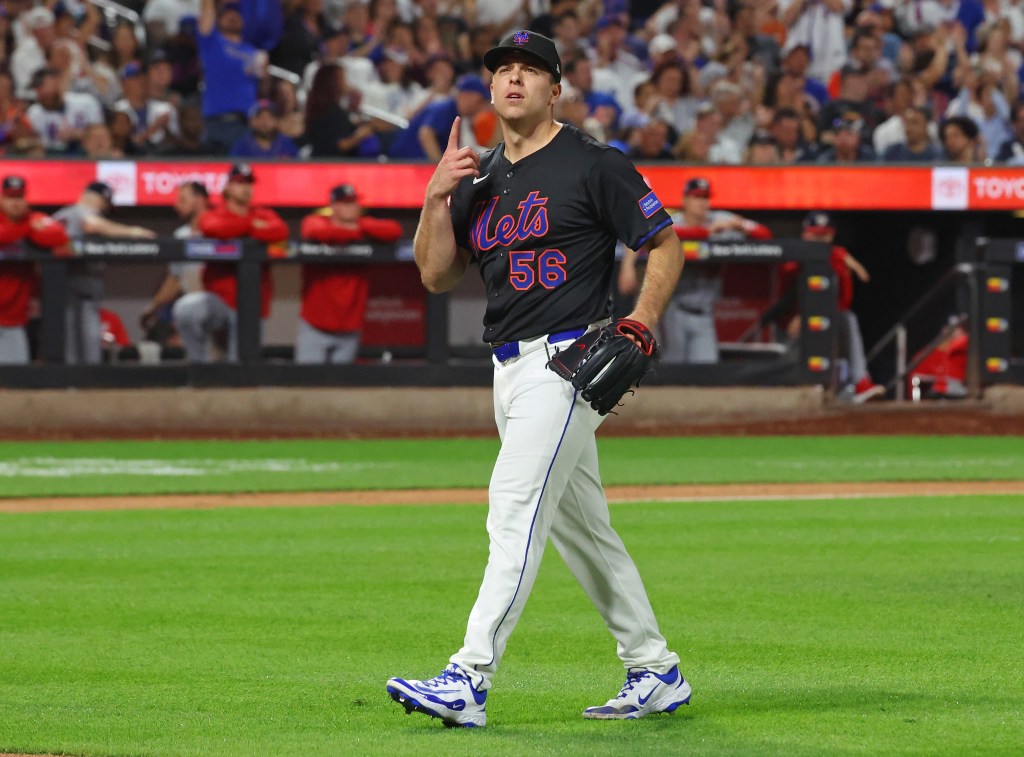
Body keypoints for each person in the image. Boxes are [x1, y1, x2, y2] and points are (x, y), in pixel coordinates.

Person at [385, 30, 689, 729]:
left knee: (513, 506)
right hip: (507, 368)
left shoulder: (593, 163)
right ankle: (654, 667)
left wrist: (641, 317)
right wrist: (435, 198)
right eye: (503, 70)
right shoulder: (476, 175)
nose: (514, 79)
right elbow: (435, 275)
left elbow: (664, 243)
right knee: (584, 531)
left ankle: (469, 675)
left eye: (530, 69)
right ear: (490, 89)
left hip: (569, 364)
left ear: (556, 88)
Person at [619, 177, 771, 364]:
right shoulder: (673, 220)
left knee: (707, 368)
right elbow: (645, 233)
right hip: (674, 308)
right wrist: (627, 267)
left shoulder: (720, 219)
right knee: (673, 366)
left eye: (706, 197)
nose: (702, 202)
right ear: (685, 201)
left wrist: (742, 225)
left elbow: (765, 235)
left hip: (705, 311)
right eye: (697, 197)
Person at [172, 164, 288, 362]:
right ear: (227, 188)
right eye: (239, 183)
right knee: (186, 310)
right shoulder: (215, 214)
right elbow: (212, 227)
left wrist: (240, 228)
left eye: (249, 183)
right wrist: (252, 226)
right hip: (220, 302)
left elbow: (280, 231)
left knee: (243, 367)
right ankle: (198, 367)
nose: (245, 188)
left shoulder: (264, 214)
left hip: (253, 304)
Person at [780, 212, 885, 404]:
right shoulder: (794, 258)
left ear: (832, 235)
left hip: (830, 313)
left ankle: (861, 383)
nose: (820, 239)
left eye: (824, 235)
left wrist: (842, 257)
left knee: (849, 319)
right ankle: (787, 386)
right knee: (792, 348)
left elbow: (863, 276)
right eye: (815, 234)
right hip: (798, 317)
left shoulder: (836, 256)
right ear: (805, 234)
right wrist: (795, 315)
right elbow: (785, 296)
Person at [296, 184, 402, 364]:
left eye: (353, 202)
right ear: (333, 206)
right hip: (315, 326)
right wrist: (353, 231)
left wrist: (358, 228)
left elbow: (394, 230)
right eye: (345, 202)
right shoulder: (317, 222)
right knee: (306, 385)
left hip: (349, 328)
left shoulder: (364, 226)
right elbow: (313, 229)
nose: (351, 207)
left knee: (340, 389)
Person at [54, 182, 155, 365]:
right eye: (105, 203)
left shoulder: (61, 215)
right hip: (80, 283)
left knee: (68, 343)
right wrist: (133, 232)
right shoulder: (81, 211)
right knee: (88, 344)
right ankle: (85, 384)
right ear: (100, 199)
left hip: (58, 287)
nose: (105, 209)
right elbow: (91, 225)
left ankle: (69, 387)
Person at [0, 175, 70, 364]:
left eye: (19, 197)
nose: (15, 203)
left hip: (14, 318)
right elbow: (3, 236)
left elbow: (58, 236)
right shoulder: (29, 223)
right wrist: (27, 228)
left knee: (17, 377)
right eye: (10, 197)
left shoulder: (33, 218)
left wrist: (26, 226)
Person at [139, 181, 211, 339]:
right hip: (193, 308)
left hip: (219, 305)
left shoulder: (221, 228)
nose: (176, 205)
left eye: (182, 200)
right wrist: (153, 307)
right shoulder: (181, 235)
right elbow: (175, 279)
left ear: (199, 200)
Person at [197, 0, 267, 153]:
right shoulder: (212, 41)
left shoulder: (253, 51)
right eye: (227, 13)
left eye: (237, 13)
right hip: (218, 122)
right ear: (219, 18)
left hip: (246, 124)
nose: (233, 16)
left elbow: (262, 88)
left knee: (243, 175)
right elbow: (206, 11)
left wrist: (264, 74)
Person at [228, 99, 299, 158]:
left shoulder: (286, 143)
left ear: (276, 121)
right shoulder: (241, 146)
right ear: (251, 121)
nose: (265, 123)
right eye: (260, 118)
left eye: (269, 118)